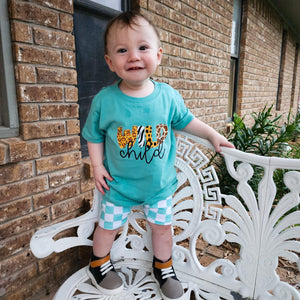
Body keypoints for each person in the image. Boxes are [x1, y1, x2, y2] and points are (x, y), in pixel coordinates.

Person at [82, 10, 234, 300]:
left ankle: (163, 267)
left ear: (159, 55)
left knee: (162, 229)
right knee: (107, 227)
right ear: (110, 62)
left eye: (142, 47)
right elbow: (93, 135)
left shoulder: (167, 97)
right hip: (118, 185)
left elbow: (187, 121)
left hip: (159, 187)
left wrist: (212, 134)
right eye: (122, 50)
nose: (133, 56)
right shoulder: (105, 100)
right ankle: (99, 263)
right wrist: (97, 165)